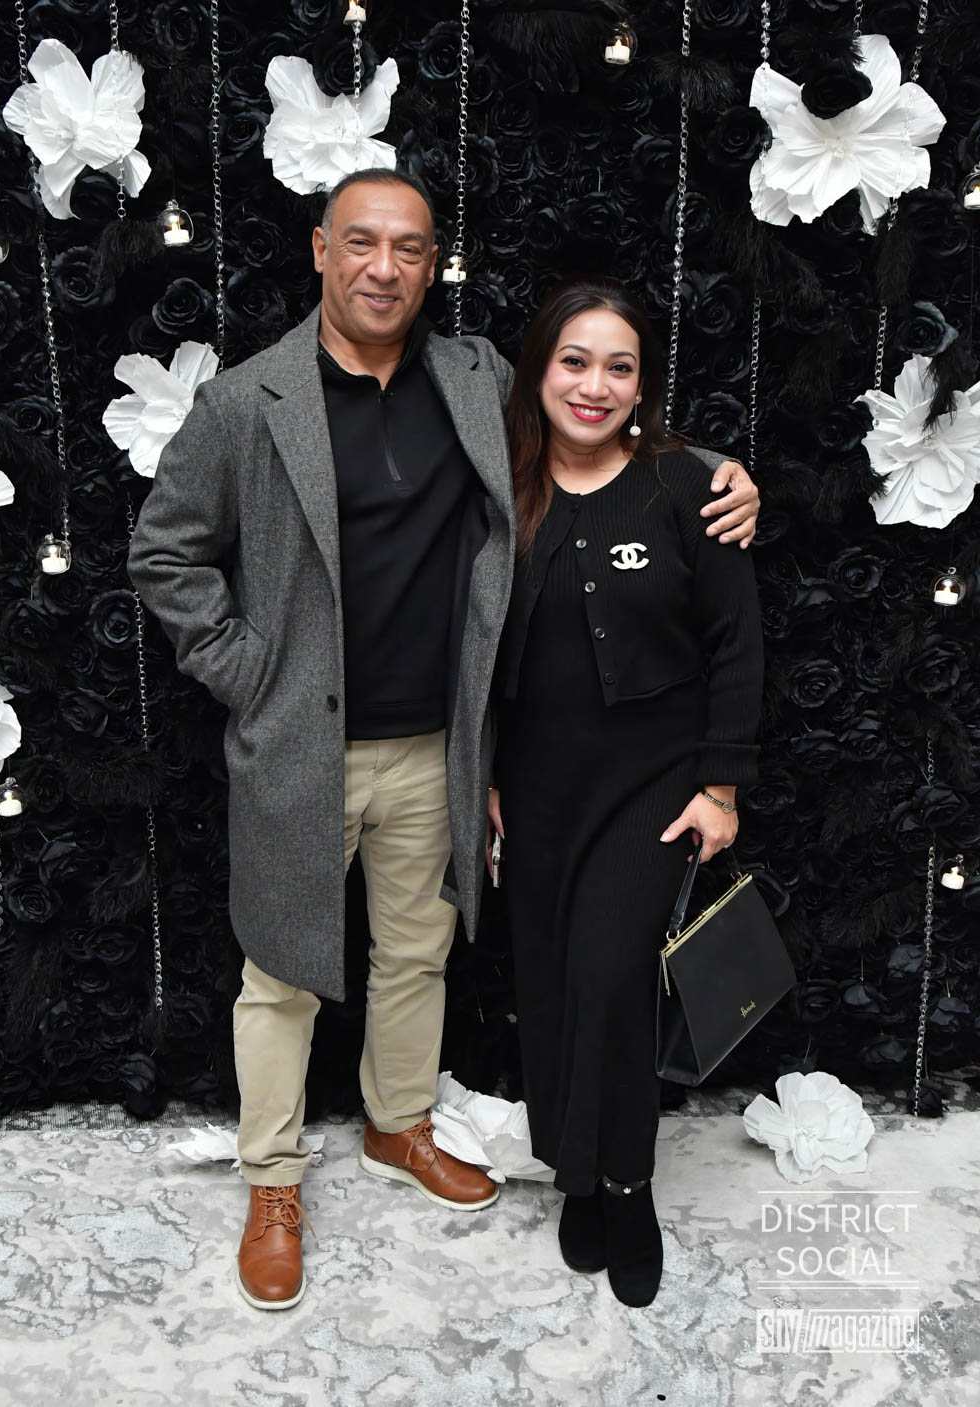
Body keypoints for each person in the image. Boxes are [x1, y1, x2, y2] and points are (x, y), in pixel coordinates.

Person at [127, 170, 760, 1312]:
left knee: (417, 954)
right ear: (321, 250)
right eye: (362, 243)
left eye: (409, 248)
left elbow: (602, 418)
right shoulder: (245, 401)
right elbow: (164, 554)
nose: (384, 267)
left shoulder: (474, 379)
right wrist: (250, 675)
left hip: (441, 748)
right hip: (300, 746)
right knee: (280, 975)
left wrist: (723, 474)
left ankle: (397, 1124)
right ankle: (272, 1181)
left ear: (430, 267)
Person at [488, 276, 764, 1309]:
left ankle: (627, 1185)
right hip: (535, 790)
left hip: (652, 787)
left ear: (642, 386)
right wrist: (486, 779)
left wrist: (720, 787)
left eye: (619, 367)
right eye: (574, 361)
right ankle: (575, 1171)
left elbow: (736, 644)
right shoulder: (498, 488)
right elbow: (472, 651)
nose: (593, 385)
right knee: (551, 984)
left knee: (610, 983)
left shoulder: (689, 486)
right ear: (538, 371)